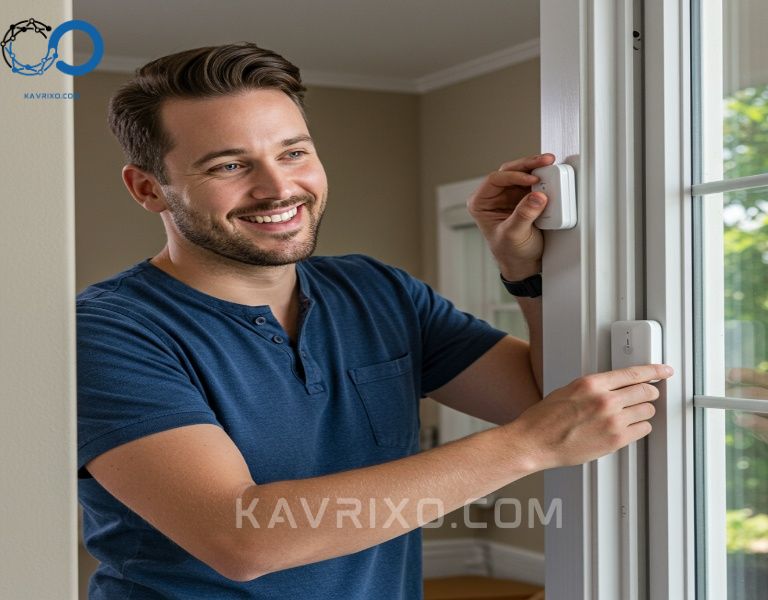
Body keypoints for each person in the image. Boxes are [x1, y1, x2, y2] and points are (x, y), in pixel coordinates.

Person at [77, 42, 672, 599]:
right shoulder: (108, 331)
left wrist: (525, 271)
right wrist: (529, 447)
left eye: (293, 152)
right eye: (230, 166)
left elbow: (543, 397)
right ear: (148, 189)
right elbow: (242, 537)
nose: (279, 188)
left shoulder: (375, 290)